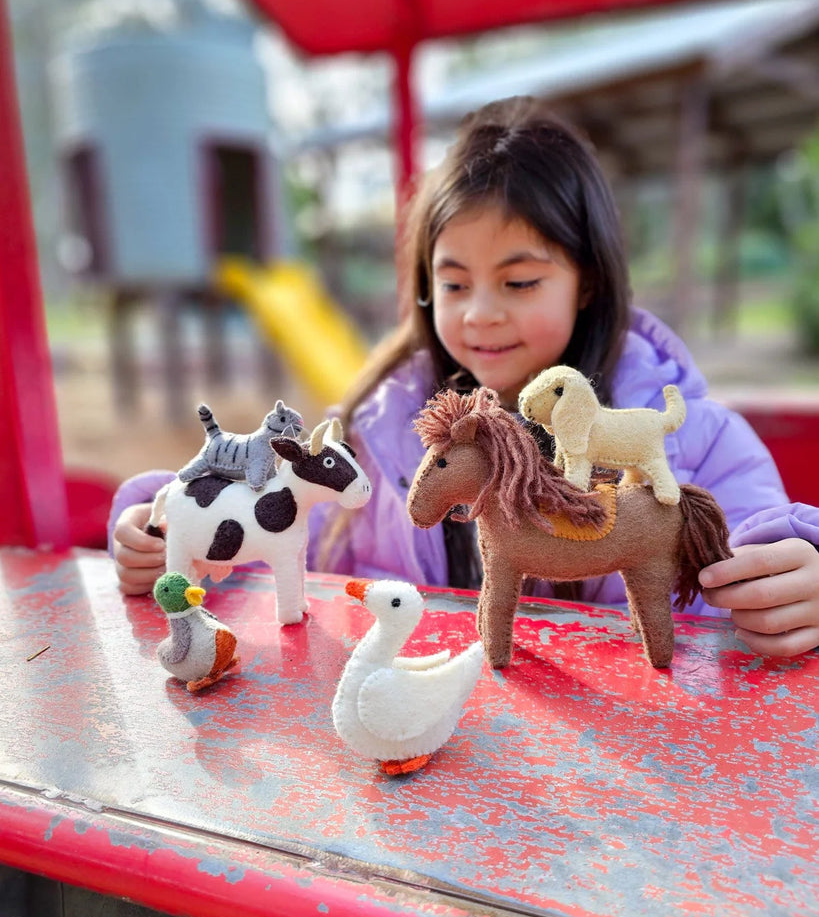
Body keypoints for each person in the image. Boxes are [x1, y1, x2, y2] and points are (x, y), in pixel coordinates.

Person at [109, 96, 819, 658]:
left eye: (518, 281)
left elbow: (762, 543)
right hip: (434, 744)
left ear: (587, 283)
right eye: (452, 286)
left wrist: (801, 570)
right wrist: (162, 523)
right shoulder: (376, 440)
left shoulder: (693, 441)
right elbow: (267, 532)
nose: (480, 314)